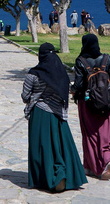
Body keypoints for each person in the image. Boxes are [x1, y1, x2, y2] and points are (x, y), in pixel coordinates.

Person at [22, 43, 87, 192]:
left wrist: (35, 96)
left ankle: (49, 178)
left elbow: (25, 96)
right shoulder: (61, 73)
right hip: (58, 114)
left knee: (42, 146)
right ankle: (63, 173)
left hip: (40, 113)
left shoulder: (34, 74)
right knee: (60, 145)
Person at [70, 34, 110, 180]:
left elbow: (79, 85)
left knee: (90, 135)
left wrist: (73, 90)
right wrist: (108, 98)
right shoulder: (107, 59)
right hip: (107, 104)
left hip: (87, 104)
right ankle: (90, 166)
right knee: (106, 133)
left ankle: (104, 161)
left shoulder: (81, 61)